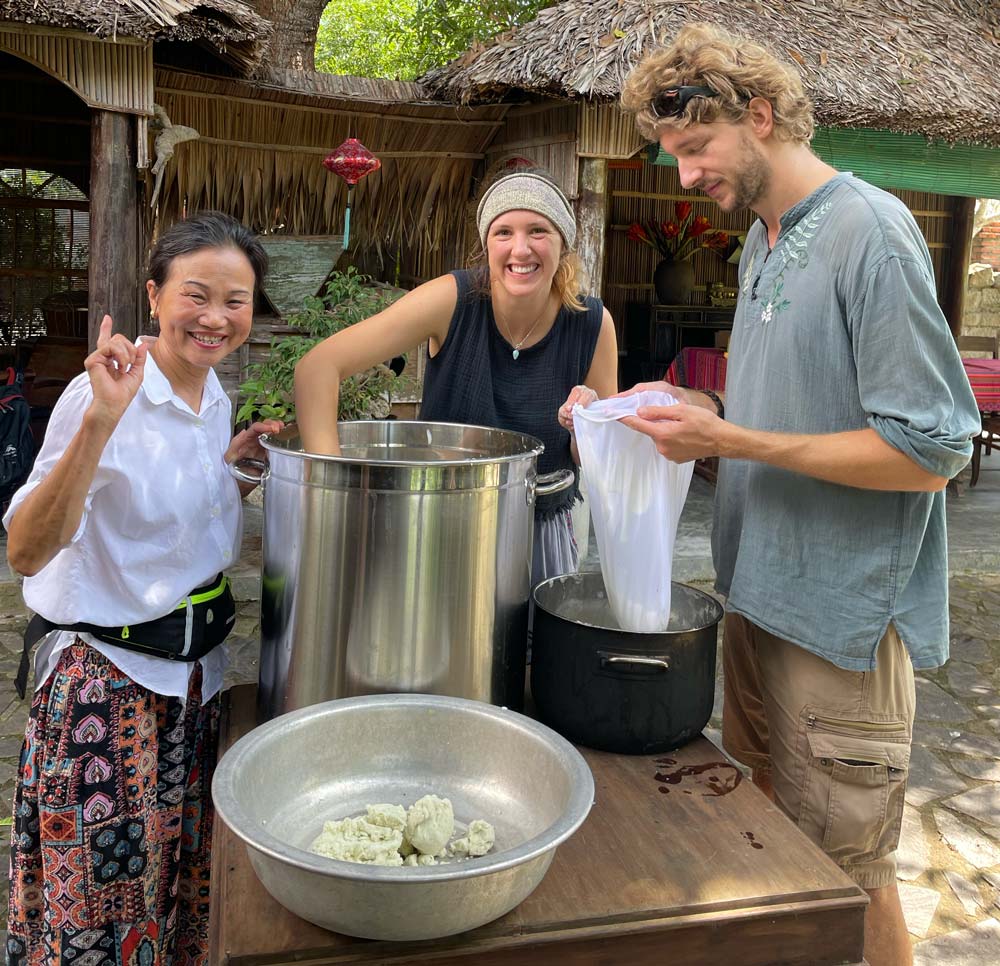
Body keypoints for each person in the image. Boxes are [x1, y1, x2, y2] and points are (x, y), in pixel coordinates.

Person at [613, 23, 980, 966]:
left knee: (849, 872)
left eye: (695, 150)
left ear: (761, 116)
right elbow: (797, 406)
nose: (685, 176)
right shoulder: (768, 241)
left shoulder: (873, 233)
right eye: (674, 156)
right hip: (760, 601)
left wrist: (729, 439)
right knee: (780, 849)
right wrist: (699, 405)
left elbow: (931, 448)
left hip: (840, 623)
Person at [4, 211, 282, 965]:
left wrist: (237, 471)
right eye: (197, 295)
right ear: (154, 296)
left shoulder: (213, 395)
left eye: (235, 301)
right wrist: (99, 422)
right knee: (98, 913)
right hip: (107, 691)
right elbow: (27, 549)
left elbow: (174, 532)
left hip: (194, 685)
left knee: (178, 888)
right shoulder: (104, 394)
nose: (215, 318)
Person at [295, 168, 619, 586]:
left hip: (539, 535)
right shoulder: (452, 300)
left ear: (563, 245)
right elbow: (317, 367)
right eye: (504, 232)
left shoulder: (592, 324)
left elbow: (599, 458)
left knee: (538, 652)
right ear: (486, 244)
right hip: (441, 525)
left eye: (538, 230)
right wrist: (331, 490)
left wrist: (586, 425)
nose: (520, 249)